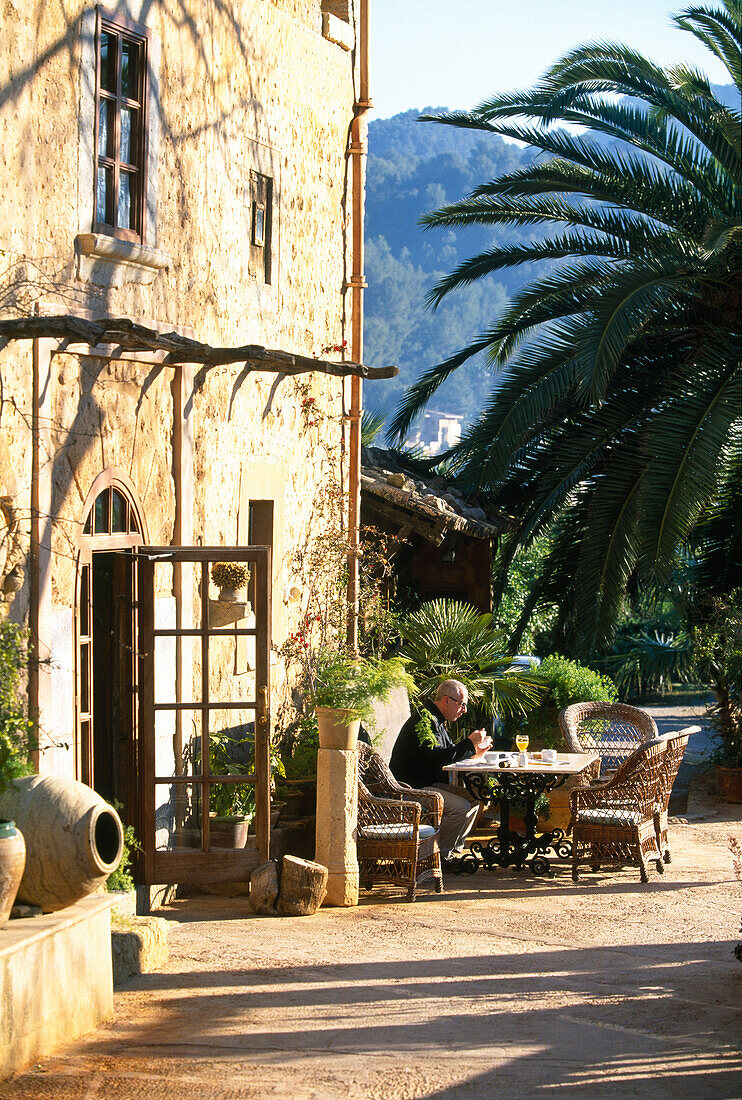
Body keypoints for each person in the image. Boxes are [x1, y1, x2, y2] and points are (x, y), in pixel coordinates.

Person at [389, 679, 491, 863]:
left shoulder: (435, 719)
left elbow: (449, 752)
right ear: (447, 700)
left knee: (475, 797)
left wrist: (475, 752)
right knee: (461, 807)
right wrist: (469, 742)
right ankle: (439, 857)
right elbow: (440, 758)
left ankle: (451, 850)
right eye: (461, 704)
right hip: (410, 788)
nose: (464, 710)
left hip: (426, 782)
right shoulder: (424, 720)